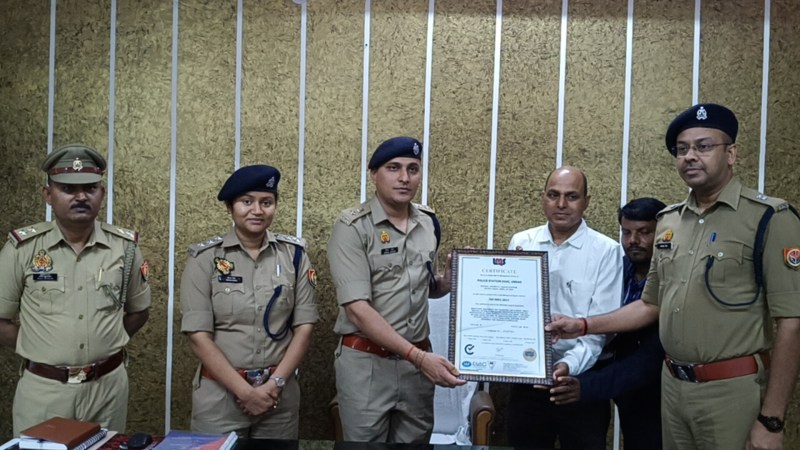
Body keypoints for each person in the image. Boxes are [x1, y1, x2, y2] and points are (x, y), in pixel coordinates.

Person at [547, 103, 800, 450]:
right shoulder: (669, 221)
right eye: (682, 149)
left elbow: (792, 322)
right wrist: (582, 325)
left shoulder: (769, 218)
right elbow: (649, 305)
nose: (690, 156)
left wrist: (772, 418)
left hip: (730, 391)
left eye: (703, 146)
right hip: (672, 389)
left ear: (731, 154)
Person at [0, 144, 151, 435]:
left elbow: (139, 312)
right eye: (68, 189)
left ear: (101, 194)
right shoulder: (22, 249)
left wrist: (107, 341)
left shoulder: (125, 248)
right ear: (48, 195)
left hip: (107, 390)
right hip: (45, 391)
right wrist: (40, 345)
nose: (81, 197)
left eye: (90, 188)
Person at [328, 136, 465, 443]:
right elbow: (357, 310)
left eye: (413, 169)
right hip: (367, 366)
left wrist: (446, 283)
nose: (405, 177)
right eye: (394, 168)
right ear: (374, 174)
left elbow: (420, 287)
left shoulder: (428, 222)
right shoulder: (352, 227)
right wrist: (419, 358)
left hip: (416, 368)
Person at [180, 165, 318, 438]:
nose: (257, 210)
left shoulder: (295, 257)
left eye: (266, 202)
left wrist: (274, 384)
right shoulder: (205, 259)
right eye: (246, 202)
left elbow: (305, 327)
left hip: (278, 399)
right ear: (230, 207)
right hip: (220, 399)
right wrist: (245, 392)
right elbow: (198, 336)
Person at [505, 166, 623, 450]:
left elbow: (600, 328)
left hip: (581, 382)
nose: (561, 204)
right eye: (553, 195)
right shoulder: (522, 243)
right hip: (527, 378)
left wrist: (567, 366)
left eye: (571, 196)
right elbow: (508, 310)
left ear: (586, 201)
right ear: (543, 198)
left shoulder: (606, 251)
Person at [549, 197, 666, 450]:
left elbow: (649, 358)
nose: (633, 240)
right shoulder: (618, 268)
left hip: (659, 395)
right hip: (624, 394)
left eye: (644, 232)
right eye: (626, 232)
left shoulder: (671, 279)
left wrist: (587, 387)